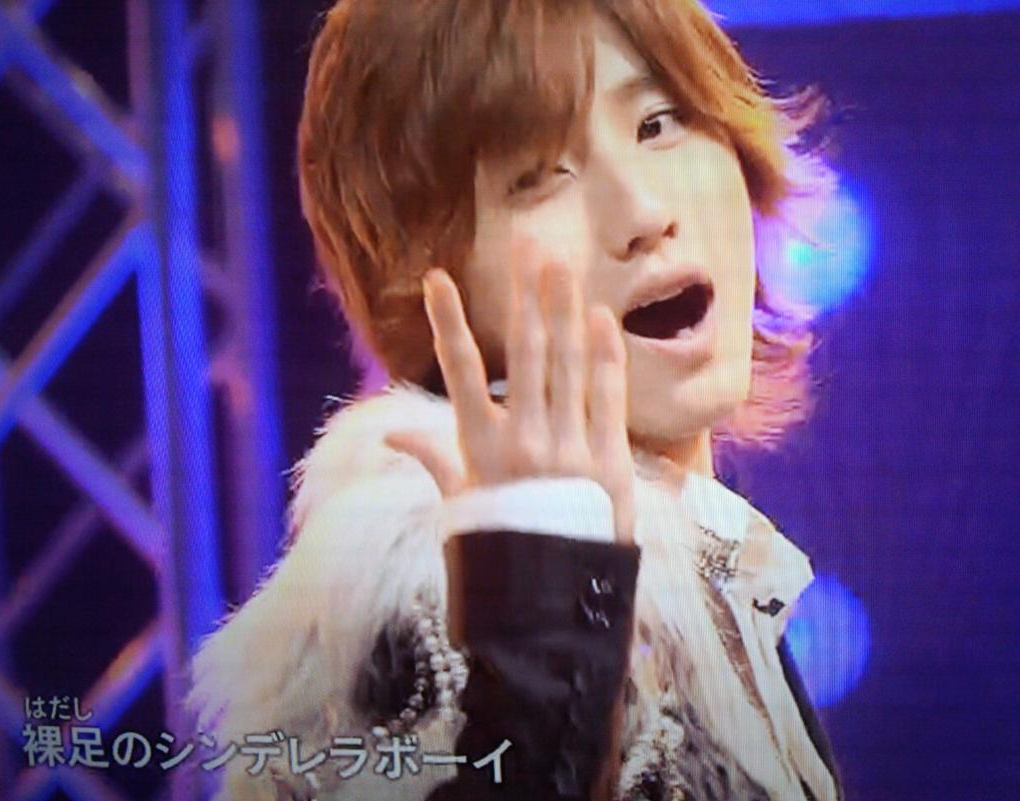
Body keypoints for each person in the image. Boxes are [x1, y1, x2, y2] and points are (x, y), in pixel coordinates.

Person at [187, 1, 843, 799]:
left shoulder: (714, 571)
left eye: (659, 124)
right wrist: (538, 653)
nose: (643, 214)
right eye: (539, 178)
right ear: (428, 279)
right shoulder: (432, 593)